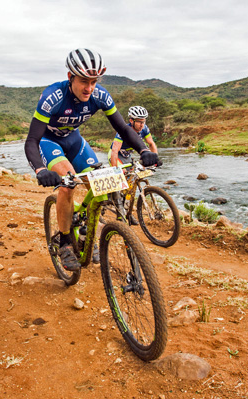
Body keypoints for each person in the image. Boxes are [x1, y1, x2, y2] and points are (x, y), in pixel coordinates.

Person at [24, 48, 160, 272]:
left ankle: (87, 232)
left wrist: (144, 149)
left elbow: (123, 129)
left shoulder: (100, 96)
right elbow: (32, 140)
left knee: (101, 184)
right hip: (49, 142)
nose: (89, 88)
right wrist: (40, 169)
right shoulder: (53, 97)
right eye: (84, 81)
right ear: (70, 77)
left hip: (75, 142)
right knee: (68, 184)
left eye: (94, 81)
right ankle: (66, 242)